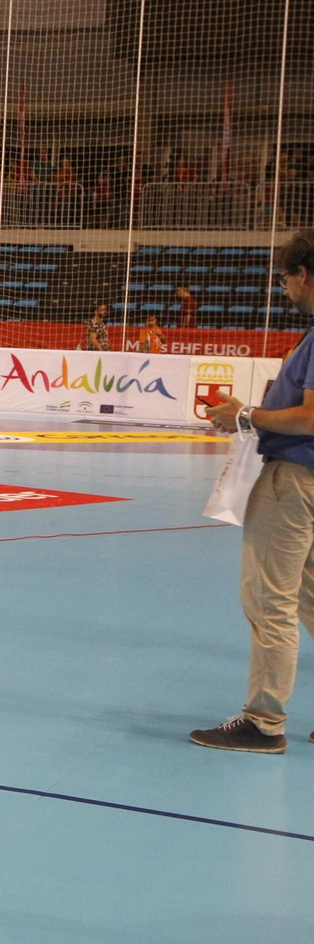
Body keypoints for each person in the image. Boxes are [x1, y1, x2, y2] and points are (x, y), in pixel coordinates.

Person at [194, 232, 314, 753]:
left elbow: (310, 416)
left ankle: (264, 722)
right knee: (309, 598)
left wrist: (246, 415)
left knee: (270, 599)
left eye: (285, 279)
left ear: (304, 275)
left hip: (296, 480)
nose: (285, 288)